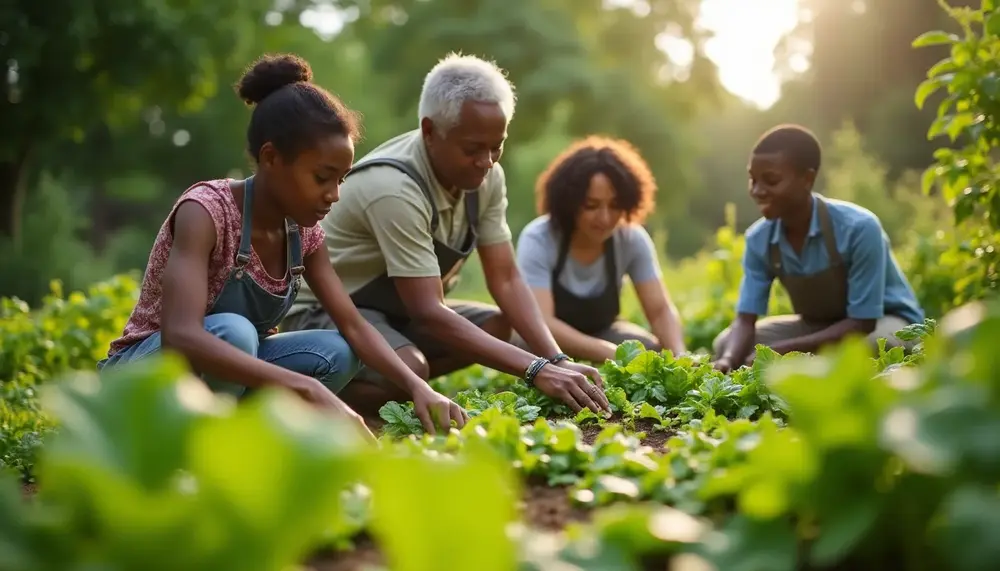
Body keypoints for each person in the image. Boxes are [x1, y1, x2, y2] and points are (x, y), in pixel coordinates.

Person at [98, 53, 468, 437]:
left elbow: (354, 325)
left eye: (341, 179)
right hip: (143, 377)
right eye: (323, 177)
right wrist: (305, 388)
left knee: (338, 351)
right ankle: (201, 444)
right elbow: (181, 335)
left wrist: (418, 387)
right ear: (271, 157)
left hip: (225, 372)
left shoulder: (304, 235)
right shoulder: (206, 211)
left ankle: (243, 434)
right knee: (236, 331)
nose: (334, 195)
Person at [282, 52, 611, 418]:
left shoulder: (486, 177)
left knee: (499, 325)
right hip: (323, 312)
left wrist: (556, 358)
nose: (486, 161)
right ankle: (318, 393)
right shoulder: (394, 187)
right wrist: (536, 370)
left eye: (496, 146)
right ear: (429, 131)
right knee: (412, 366)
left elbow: (505, 278)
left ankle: (396, 384)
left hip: (394, 310)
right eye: (472, 149)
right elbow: (428, 311)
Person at [711, 124, 925, 373]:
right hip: (820, 325)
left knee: (864, 350)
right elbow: (745, 320)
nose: (757, 191)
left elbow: (863, 323)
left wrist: (785, 351)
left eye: (770, 180)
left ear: (807, 179)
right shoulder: (759, 239)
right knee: (727, 343)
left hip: (885, 321)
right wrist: (728, 360)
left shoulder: (858, 228)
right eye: (753, 179)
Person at [514, 136, 686, 363]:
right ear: (569, 203)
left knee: (649, 350)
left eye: (614, 206)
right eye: (591, 206)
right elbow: (542, 321)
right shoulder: (539, 239)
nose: (604, 218)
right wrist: (611, 354)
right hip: (543, 342)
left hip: (603, 333)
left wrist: (679, 355)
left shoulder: (631, 238)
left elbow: (660, 310)